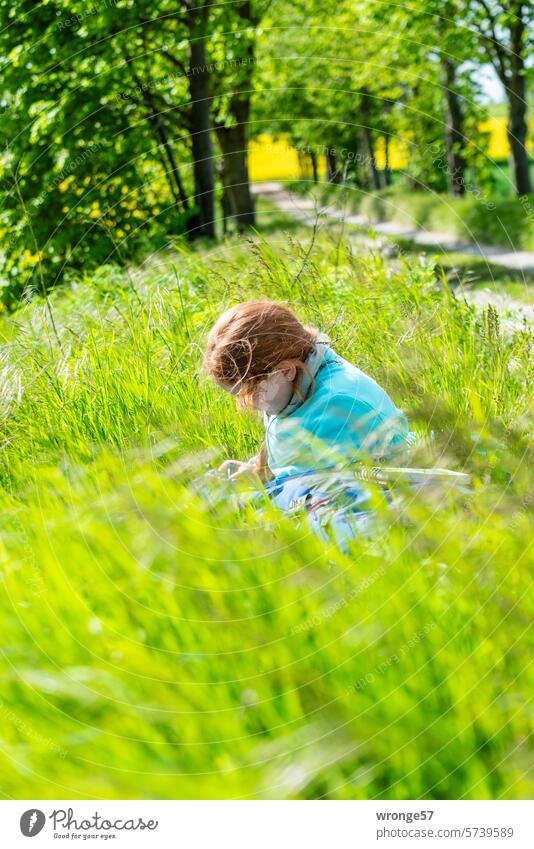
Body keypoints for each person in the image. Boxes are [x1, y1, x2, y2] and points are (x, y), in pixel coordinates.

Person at [203, 300, 413, 487]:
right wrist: (259, 470)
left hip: (381, 492)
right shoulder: (291, 385)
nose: (245, 404)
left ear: (286, 371)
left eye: (248, 394)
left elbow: (316, 490)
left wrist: (253, 495)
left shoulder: (338, 406)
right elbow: (288, 444)